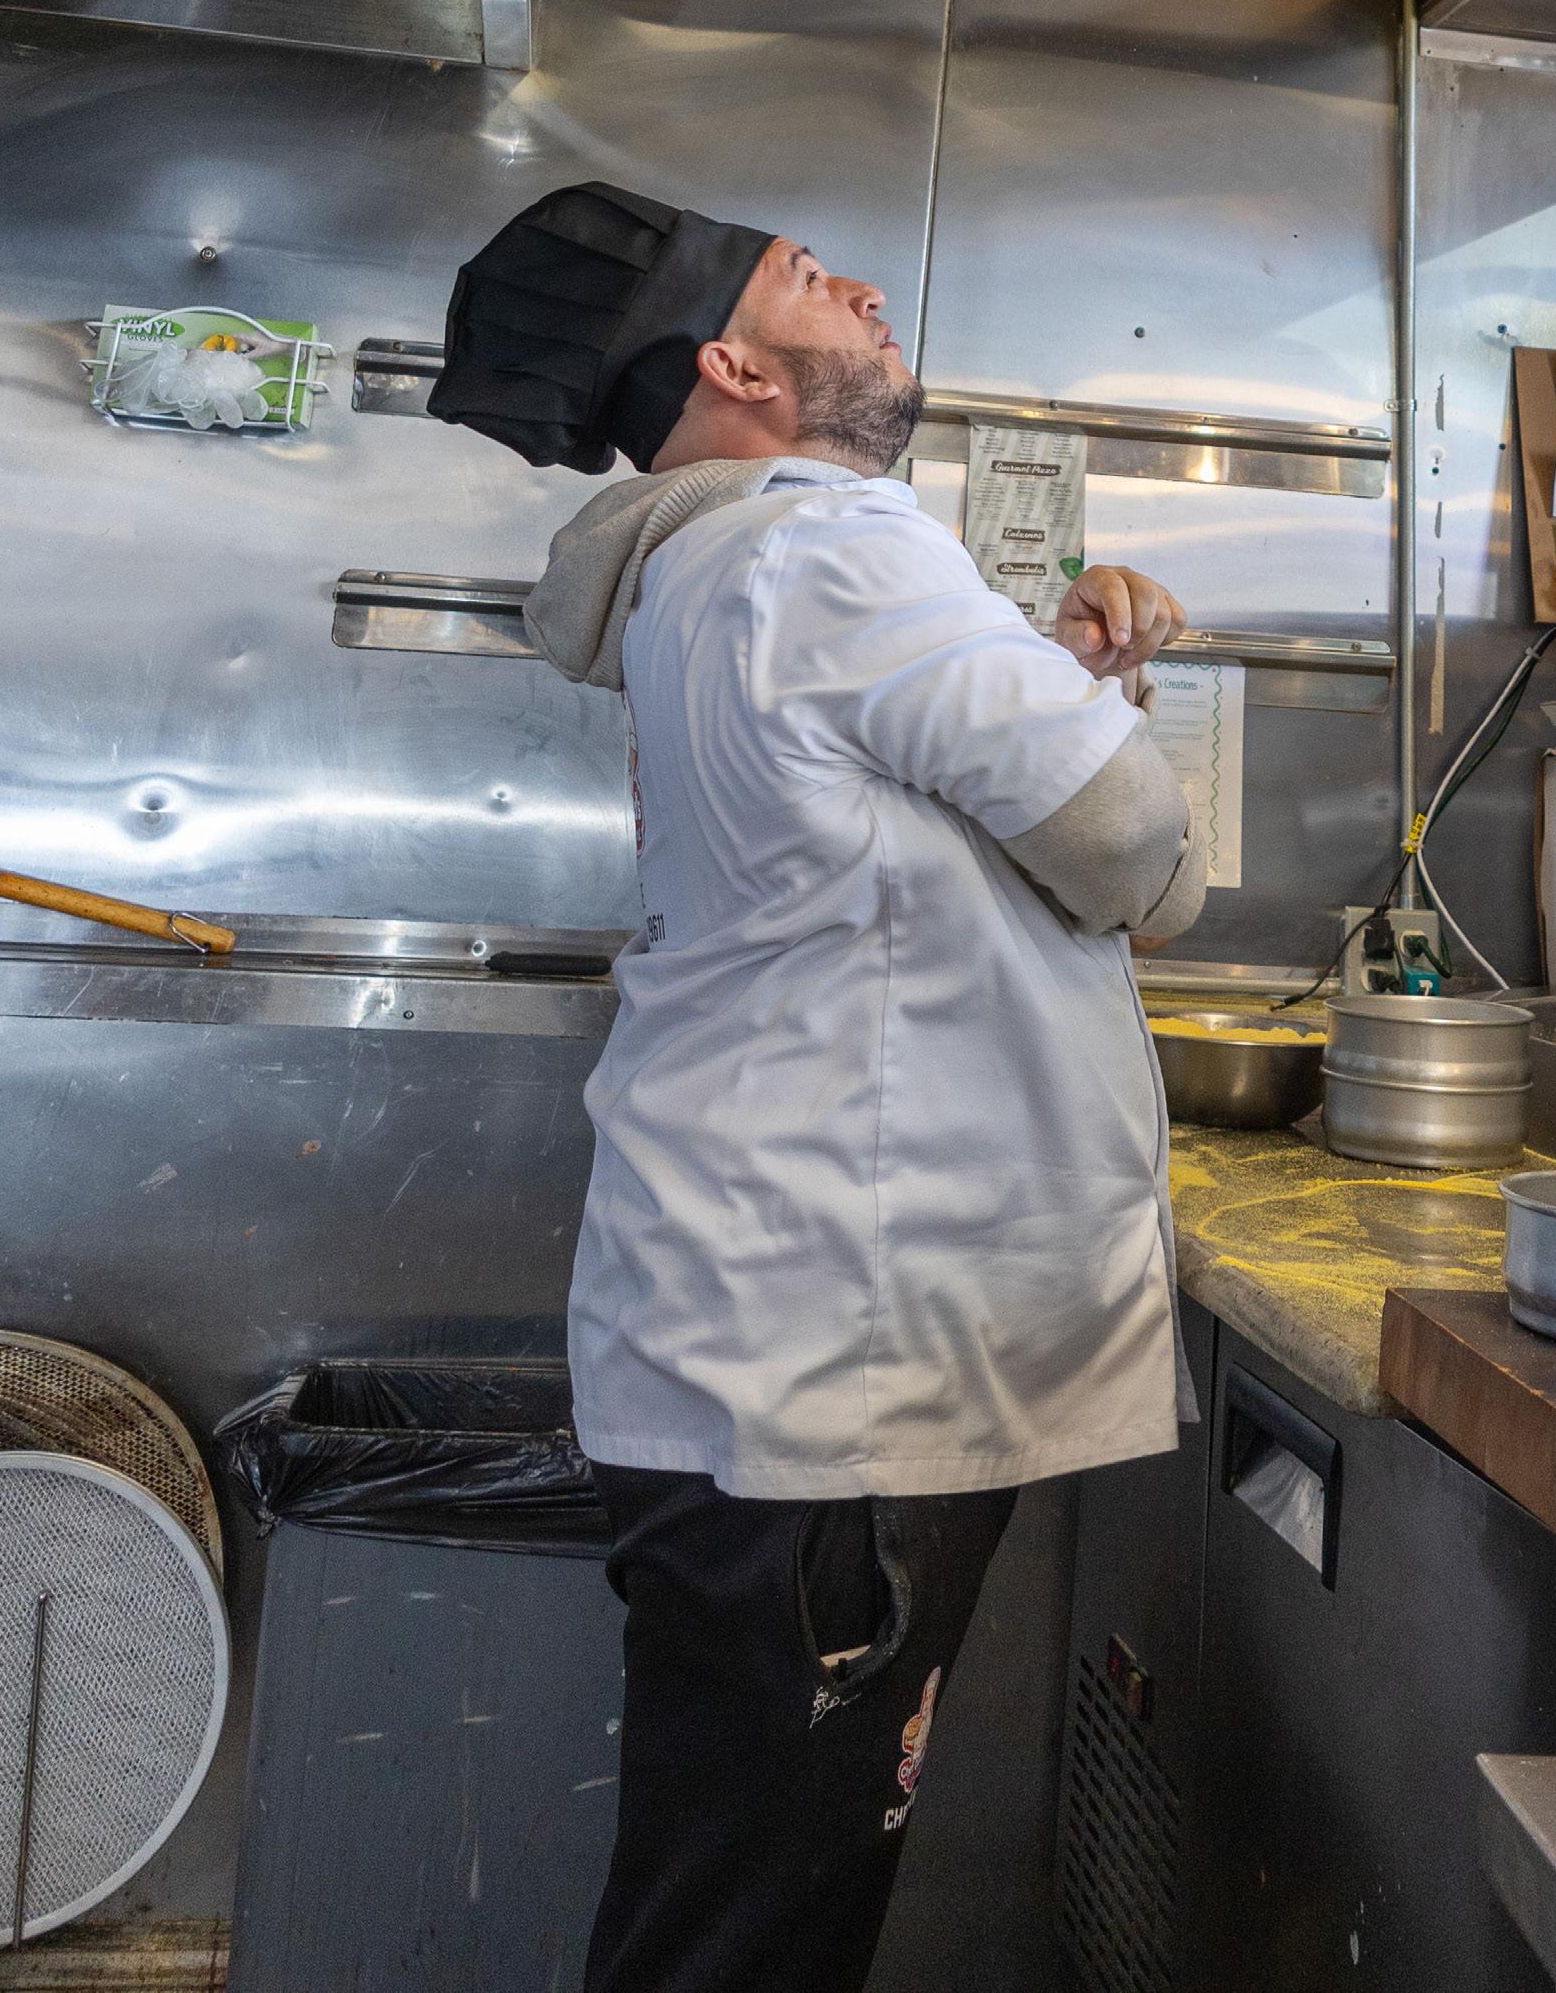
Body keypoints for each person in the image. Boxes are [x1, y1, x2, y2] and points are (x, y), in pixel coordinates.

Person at [428, 180, 1201, 1993]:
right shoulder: (829, 541)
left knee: (736, 1910)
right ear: (734, 367)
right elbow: (1134, 853)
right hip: (832, 1374)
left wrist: (1051, 679)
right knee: (749, 1938)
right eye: (802, 276)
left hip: (761, 1346)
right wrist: (1103, 750)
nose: (857, 287)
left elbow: (877, 840)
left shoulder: (714, 573)